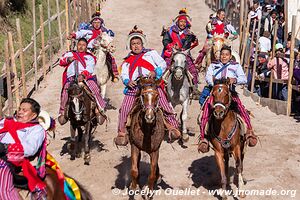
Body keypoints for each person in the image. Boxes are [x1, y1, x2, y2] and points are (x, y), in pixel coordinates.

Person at [114, 26, 181, 146]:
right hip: (135, 86)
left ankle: (173, 127)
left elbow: (162, 63)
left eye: (138, 43)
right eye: (133, 44)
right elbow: (124, 74)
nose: (136, 46)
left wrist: (156, 72)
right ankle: (122, 132)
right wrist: (127, 81)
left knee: (164, 104)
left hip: (151, 84)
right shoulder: (127, 60)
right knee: (124, 108)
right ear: (130, 46)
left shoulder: (151, 54)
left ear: (142, 44)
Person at [198, 46, 258, 153]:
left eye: (226, 55)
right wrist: (217, 85)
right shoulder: (213, 65)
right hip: (215, 93)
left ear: (230, 56)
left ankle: (249, 130)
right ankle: (203, 138)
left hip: (229, 93)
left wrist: (234, 80)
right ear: (219, 55)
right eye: (222, 54)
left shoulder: (235, 66)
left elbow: (243, 79)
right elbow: (208, 77)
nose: (224, 56)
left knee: (241, 109)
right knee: (205, 112)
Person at [0, 98, 47, 199]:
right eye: (20, 109)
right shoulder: (7, 122)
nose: (20, 112)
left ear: (33, 115)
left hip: (11, 160)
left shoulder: (36, 129)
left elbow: (31, 148)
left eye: (24, 110)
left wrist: (6, 147)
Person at [58, 38, 106, 125]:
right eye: (79, 44)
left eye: (83, 45)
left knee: (94, 88)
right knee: (65, 90)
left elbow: (90, 68)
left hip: (85, 78)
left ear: (86, 47)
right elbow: (61, 61)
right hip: (71, 77)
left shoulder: (90, 57)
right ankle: (63, 112)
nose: (81, 47)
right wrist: (68, 60)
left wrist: (83, 75)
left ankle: (98, 110)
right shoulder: (70, 54)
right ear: (77, 45)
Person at [67, 11, 119, 82]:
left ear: (101, 23)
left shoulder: (104, 31)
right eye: (95, 23)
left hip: (100, 49)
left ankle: (114, 74)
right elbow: (80, 33)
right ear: (92, 23)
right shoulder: (88, 31)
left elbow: (109, 37)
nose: (97, 24)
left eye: (98, 23)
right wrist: (74, 35)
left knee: (111, 58)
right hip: (90, 50)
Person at [161, 8, 200, 95]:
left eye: (184, 22)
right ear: (177, 22)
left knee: (192, 69)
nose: (182, 23)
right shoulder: (170, 31)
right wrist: (172, 47)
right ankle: (161, 87)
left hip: (184, 53)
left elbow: (189, 44)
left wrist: (182, 49)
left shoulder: (189, 33)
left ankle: (194, 88)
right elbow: (165, 41)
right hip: (172, 53)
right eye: (181, 21)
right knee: (165, 67)